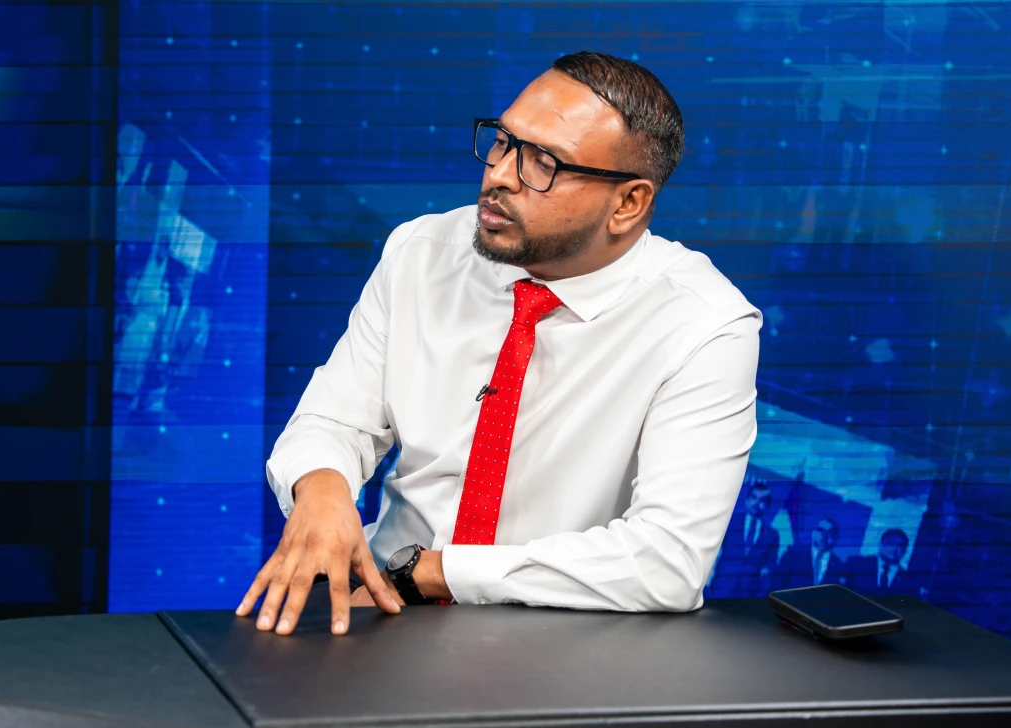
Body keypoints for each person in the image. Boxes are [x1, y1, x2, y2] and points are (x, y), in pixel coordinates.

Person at [236, 51, 762, 635]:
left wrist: (432, 573)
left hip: (563, 636)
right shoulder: (423, 252)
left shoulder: (705, 324)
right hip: (381, 610)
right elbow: (335, 421)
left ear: (628, 204)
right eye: (503, 141)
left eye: (544, 163)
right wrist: (321, 485)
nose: (500, 175)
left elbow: (666, 562)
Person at [708, 480, 780, 597]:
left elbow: (769, 568)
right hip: (721, 587)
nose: (756, 503)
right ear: (747, 500)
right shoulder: (729, 522)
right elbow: (713, 552)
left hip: (749, 592)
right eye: (753, 497)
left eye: (762, 500)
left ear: (767, 506)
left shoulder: (772, 535)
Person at [774, 517, 846, 590]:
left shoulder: (840, 567)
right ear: (813, 532)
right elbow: (776, 584)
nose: (824, 535)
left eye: (829, 532)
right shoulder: (792, 555)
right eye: (820, 530)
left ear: (836, 538)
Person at [846, 528, 911, 594]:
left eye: (900, 545)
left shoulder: (909, 578)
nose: (895, 549)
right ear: (881, 544)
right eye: (891, 544)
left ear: (906, 550)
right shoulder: (857, 564)